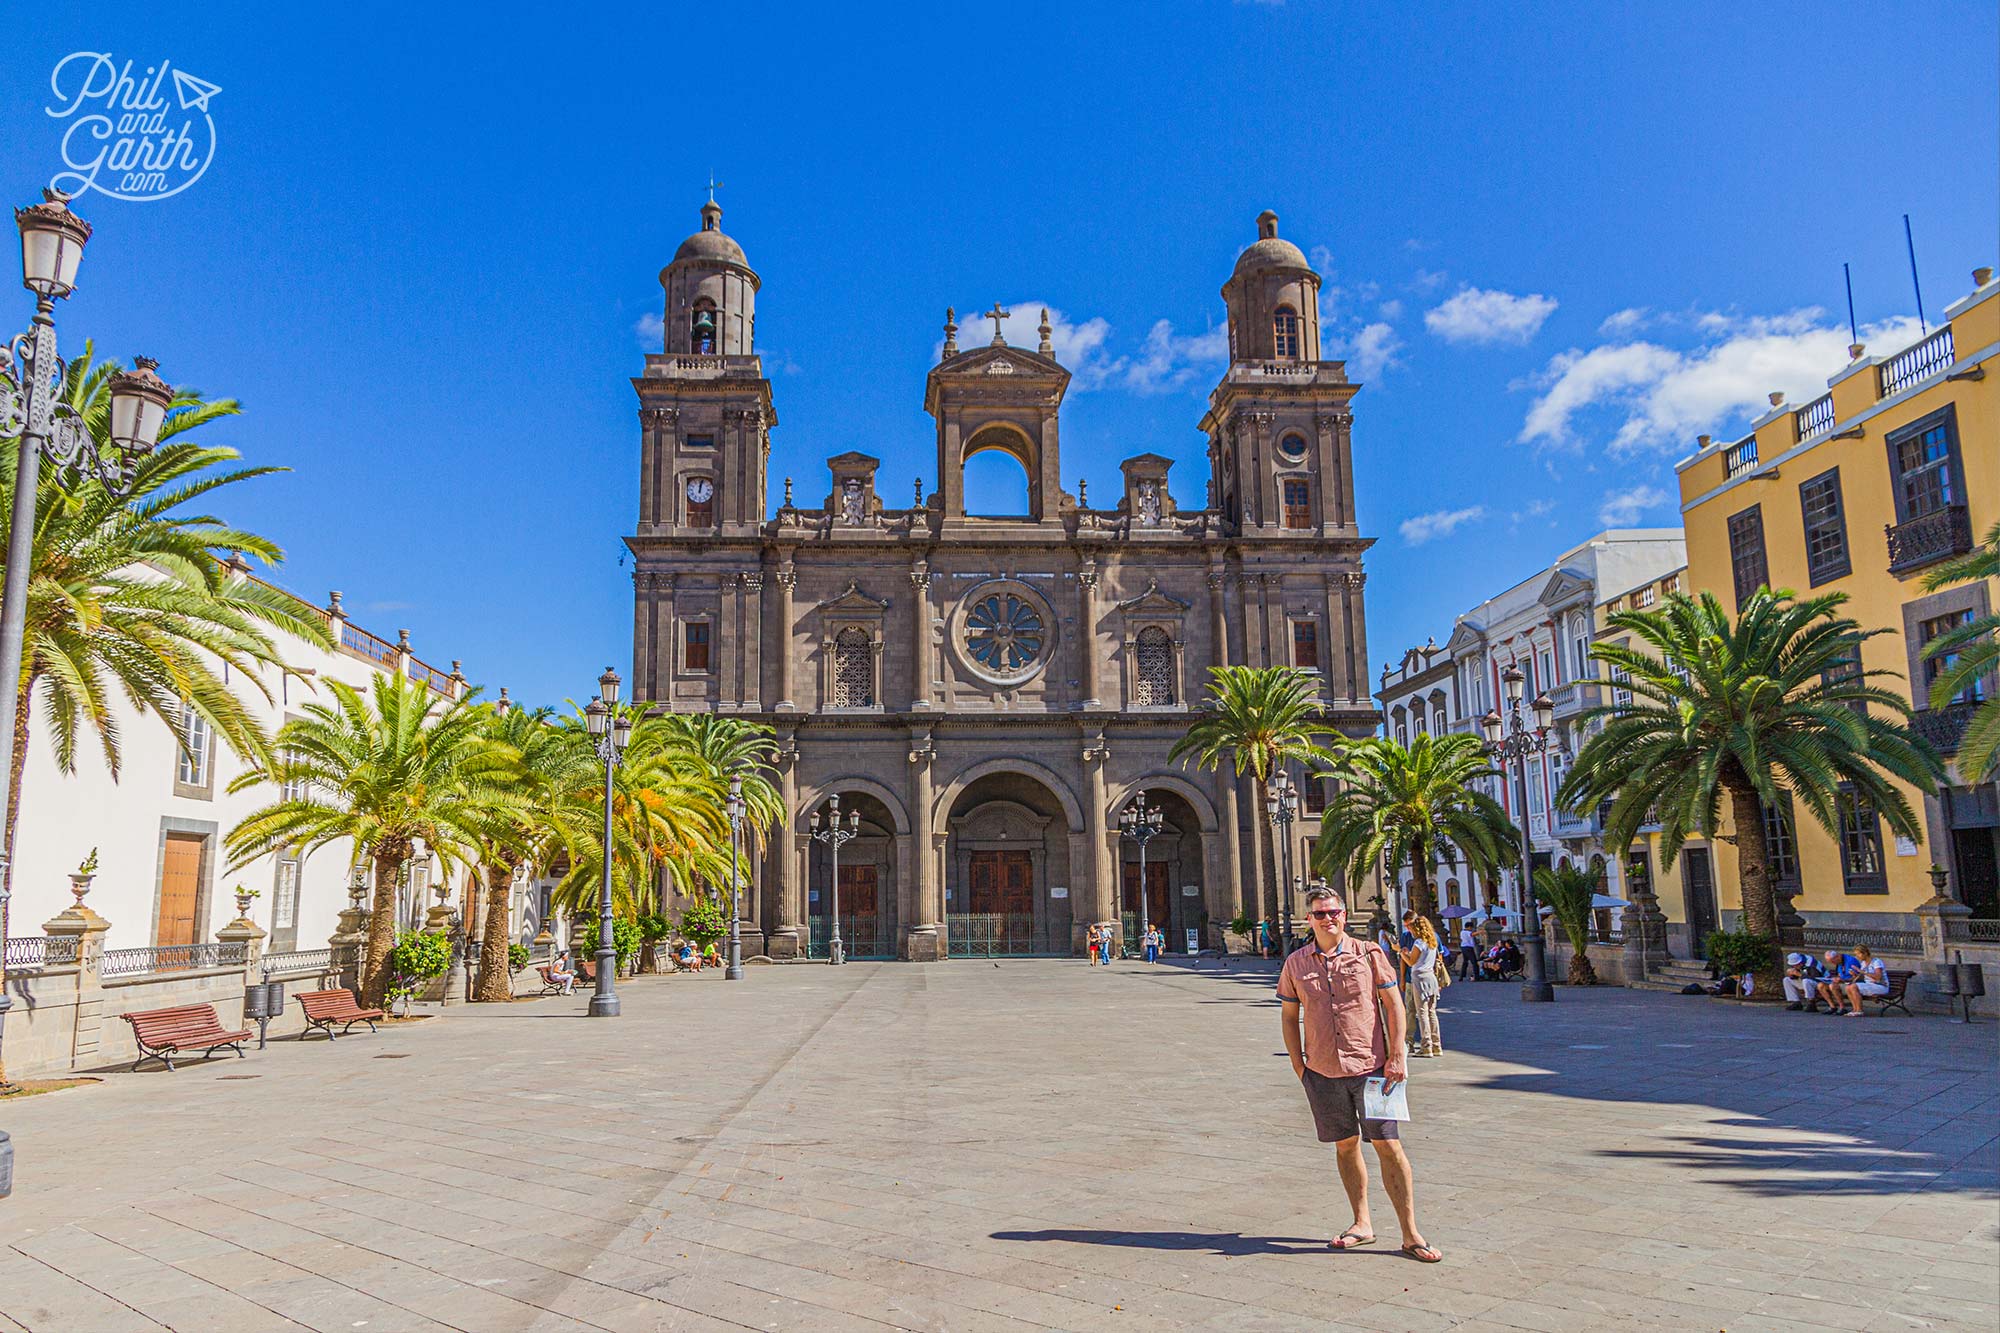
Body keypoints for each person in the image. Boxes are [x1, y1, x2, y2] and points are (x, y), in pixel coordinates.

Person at [1278, 885, 1440, 1264]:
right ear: (1310, 919)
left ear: (1345, 915)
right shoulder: (1296, 963)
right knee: (1345, 1145)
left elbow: (1393, 1003)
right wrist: (1298, 1064)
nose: (1328, 918)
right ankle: (1361, 1223)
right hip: (1322, 1069)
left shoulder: (1369, 953)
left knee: (1388, 1146)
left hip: (1372, 1069)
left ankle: (1410, 1233)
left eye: (1333, 911)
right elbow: (1288, 1016)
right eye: (1320, 913)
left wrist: (1398, 1055)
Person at [1400, 916, 1444, 1057]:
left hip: (1419, 978)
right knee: (1432, 1012)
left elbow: (1412, 962)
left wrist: (1401, 953)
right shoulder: (1432, 941)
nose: (1410, 930)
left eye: (1411, 927)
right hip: (1431, 977)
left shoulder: (1419, 942)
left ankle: (1426, 1046)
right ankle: (1437, 1045)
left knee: (1422, 1013)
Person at [1819, 949, 1861, 1013]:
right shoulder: (1839, 961)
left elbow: (1856, 977)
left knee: (1833, 986)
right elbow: (1839, 974)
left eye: (1832, 961)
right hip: (1842, 982)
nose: (1832, 963)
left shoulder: (1851, 961)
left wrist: (1842, 980)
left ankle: (1842, 1007)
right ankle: (1832, 1007)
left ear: (1837, 957)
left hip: (1850, 983)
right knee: (1821, 985)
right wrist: (1835, 978)